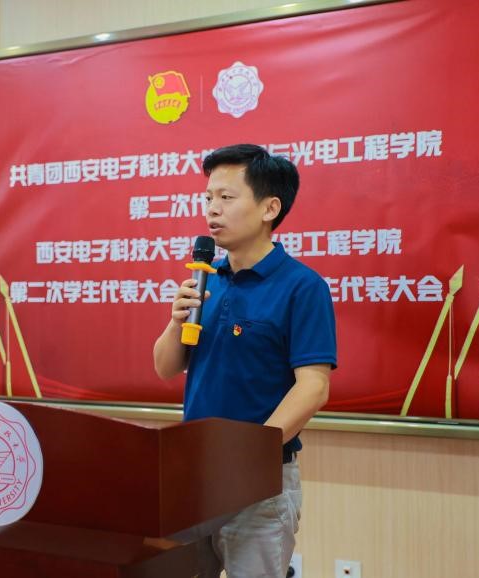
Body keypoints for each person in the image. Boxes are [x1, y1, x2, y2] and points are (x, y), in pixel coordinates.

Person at [153, 144, 337, 577]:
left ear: (270, 208)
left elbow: (313, 386)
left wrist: (250, 456)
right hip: (194, 476)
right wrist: (176, 321)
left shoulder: (302, 286)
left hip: (260, 483)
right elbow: (165, 367)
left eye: (226, 197)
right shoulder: (206, 280)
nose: (212, 209)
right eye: (208, 197)